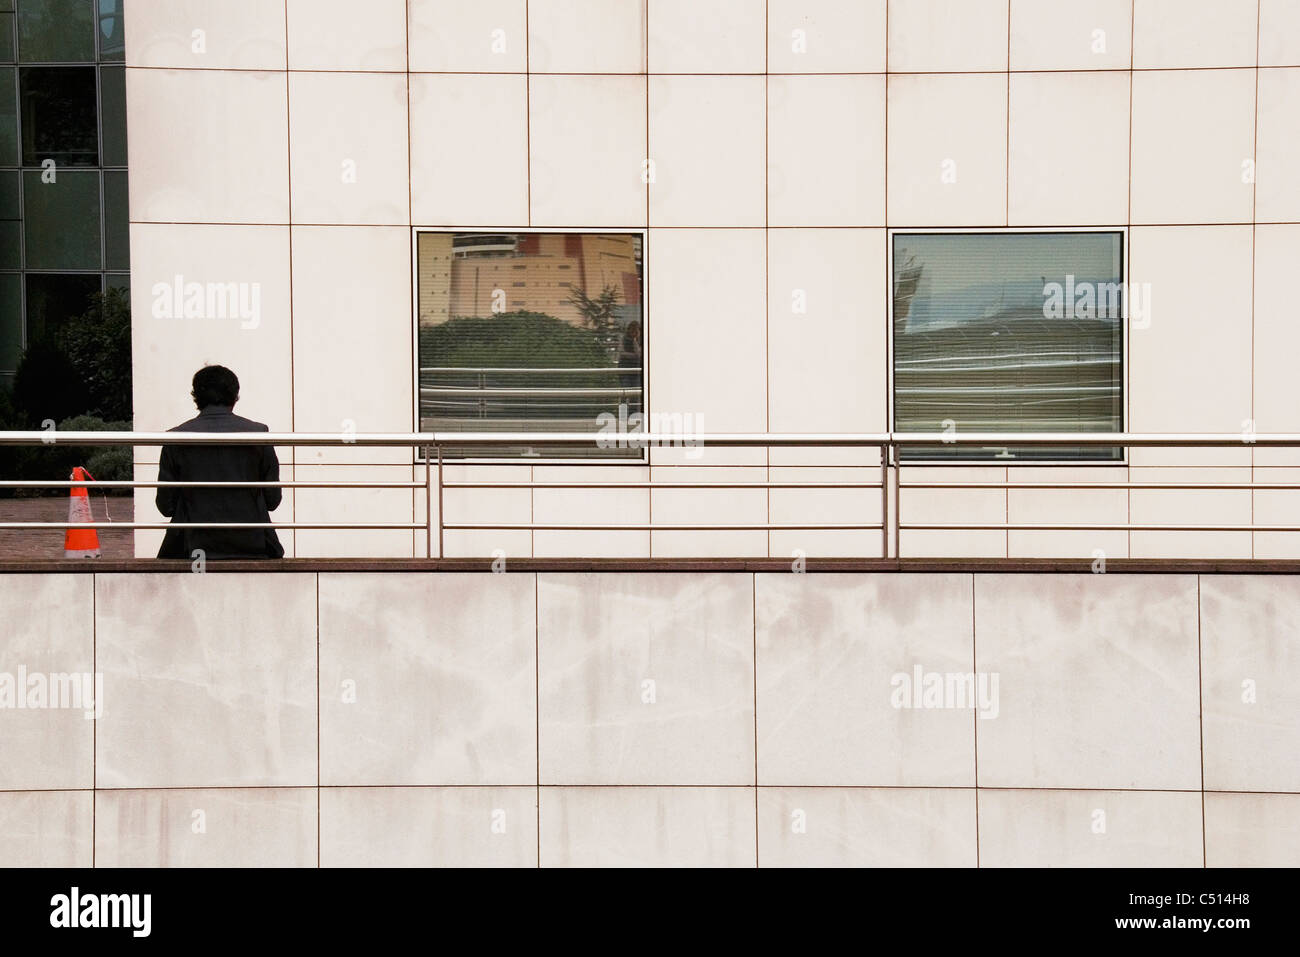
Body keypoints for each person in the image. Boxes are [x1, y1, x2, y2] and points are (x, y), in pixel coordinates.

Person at [155, 365, 284, 559]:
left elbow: (166, 506)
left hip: (192, 548)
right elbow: (273, 500)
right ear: (235, 396)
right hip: (252, 545)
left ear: (196, 397)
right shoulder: (258, 433)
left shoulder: (177, 437)